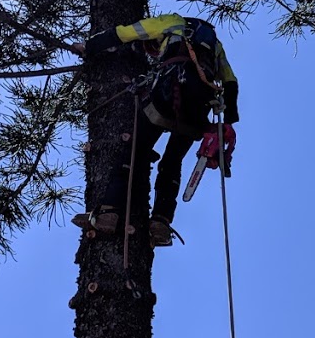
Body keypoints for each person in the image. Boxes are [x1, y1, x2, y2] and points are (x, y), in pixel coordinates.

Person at [70, 13, 238, 247]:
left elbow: (124, 32)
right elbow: (230, 82)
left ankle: (108, 214)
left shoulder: (169, 22)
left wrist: (88, 46)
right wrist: (229, 120)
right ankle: (160, 222)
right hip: (198, 110)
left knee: (134, 150)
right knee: (172, 163)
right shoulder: (214, 45)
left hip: (166, 98)